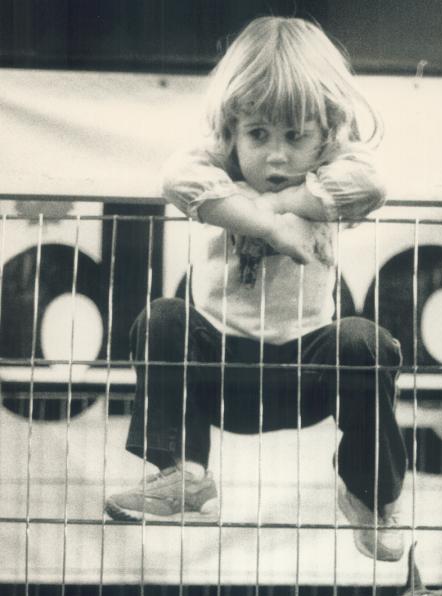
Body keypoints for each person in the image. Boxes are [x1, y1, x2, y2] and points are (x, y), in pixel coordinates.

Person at [105, 15, 407, 561]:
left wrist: (276, 205)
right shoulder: (217, 167)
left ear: (326, 135)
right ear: (232, 130)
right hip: (220, 370)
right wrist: (267, 228)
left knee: (365, 341)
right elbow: (177, 176)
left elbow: (373, 182)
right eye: (258, 134)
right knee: (164, 318)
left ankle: (370, 493)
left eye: (296, 137)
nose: (275, 156)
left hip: (303, 370)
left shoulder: (328, 178)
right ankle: (185, 474)